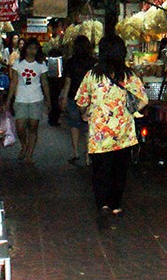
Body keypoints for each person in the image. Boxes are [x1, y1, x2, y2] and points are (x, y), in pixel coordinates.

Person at [75, 34, 147, 220]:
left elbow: (81, 100)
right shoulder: (129, 76)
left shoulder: (92, 75)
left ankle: (103, 204)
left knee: (100, 170)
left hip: (100, 132)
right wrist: (129, 112)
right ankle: (116, 205)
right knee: (119, 170)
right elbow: (143, 100)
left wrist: (85, 113)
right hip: (123, 132)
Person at [8, 38, 50, 163]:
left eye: (35, 48)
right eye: (30, 48)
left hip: (36, 99)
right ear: (25, 49)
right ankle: (24, 145)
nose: (32, 51)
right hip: (20, 98)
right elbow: (14, 82)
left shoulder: (41, 65)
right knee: (20, 127)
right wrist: (8, 100)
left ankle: (29, 155)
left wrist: (48, 99)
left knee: (33, 127)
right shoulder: (18, 64)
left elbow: (45, 83)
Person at [59, 35, 95, 164]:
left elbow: (67, 81)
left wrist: (64, 97)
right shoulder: (94, 62)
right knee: (88, 126)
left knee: (74, 125)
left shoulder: (71, 62)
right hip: (89, 98)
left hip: (73, 96)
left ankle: (75, 152)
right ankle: (88, 155)